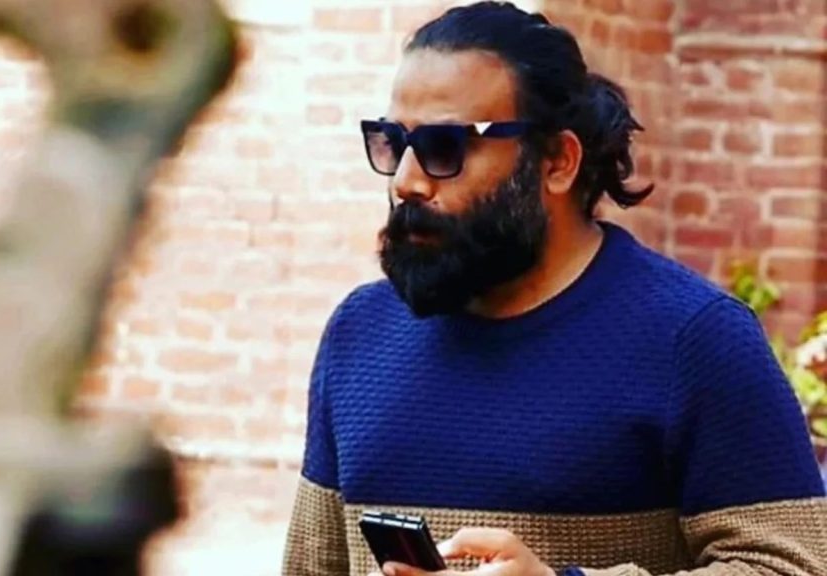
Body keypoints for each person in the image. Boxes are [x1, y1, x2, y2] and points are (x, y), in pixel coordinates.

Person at [280, 3, 827, 576]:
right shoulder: (360, 333)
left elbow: (793, 566)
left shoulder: (695, 339)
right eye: (393, 143)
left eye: (445, 146)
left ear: (558, 162)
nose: (406, 181)